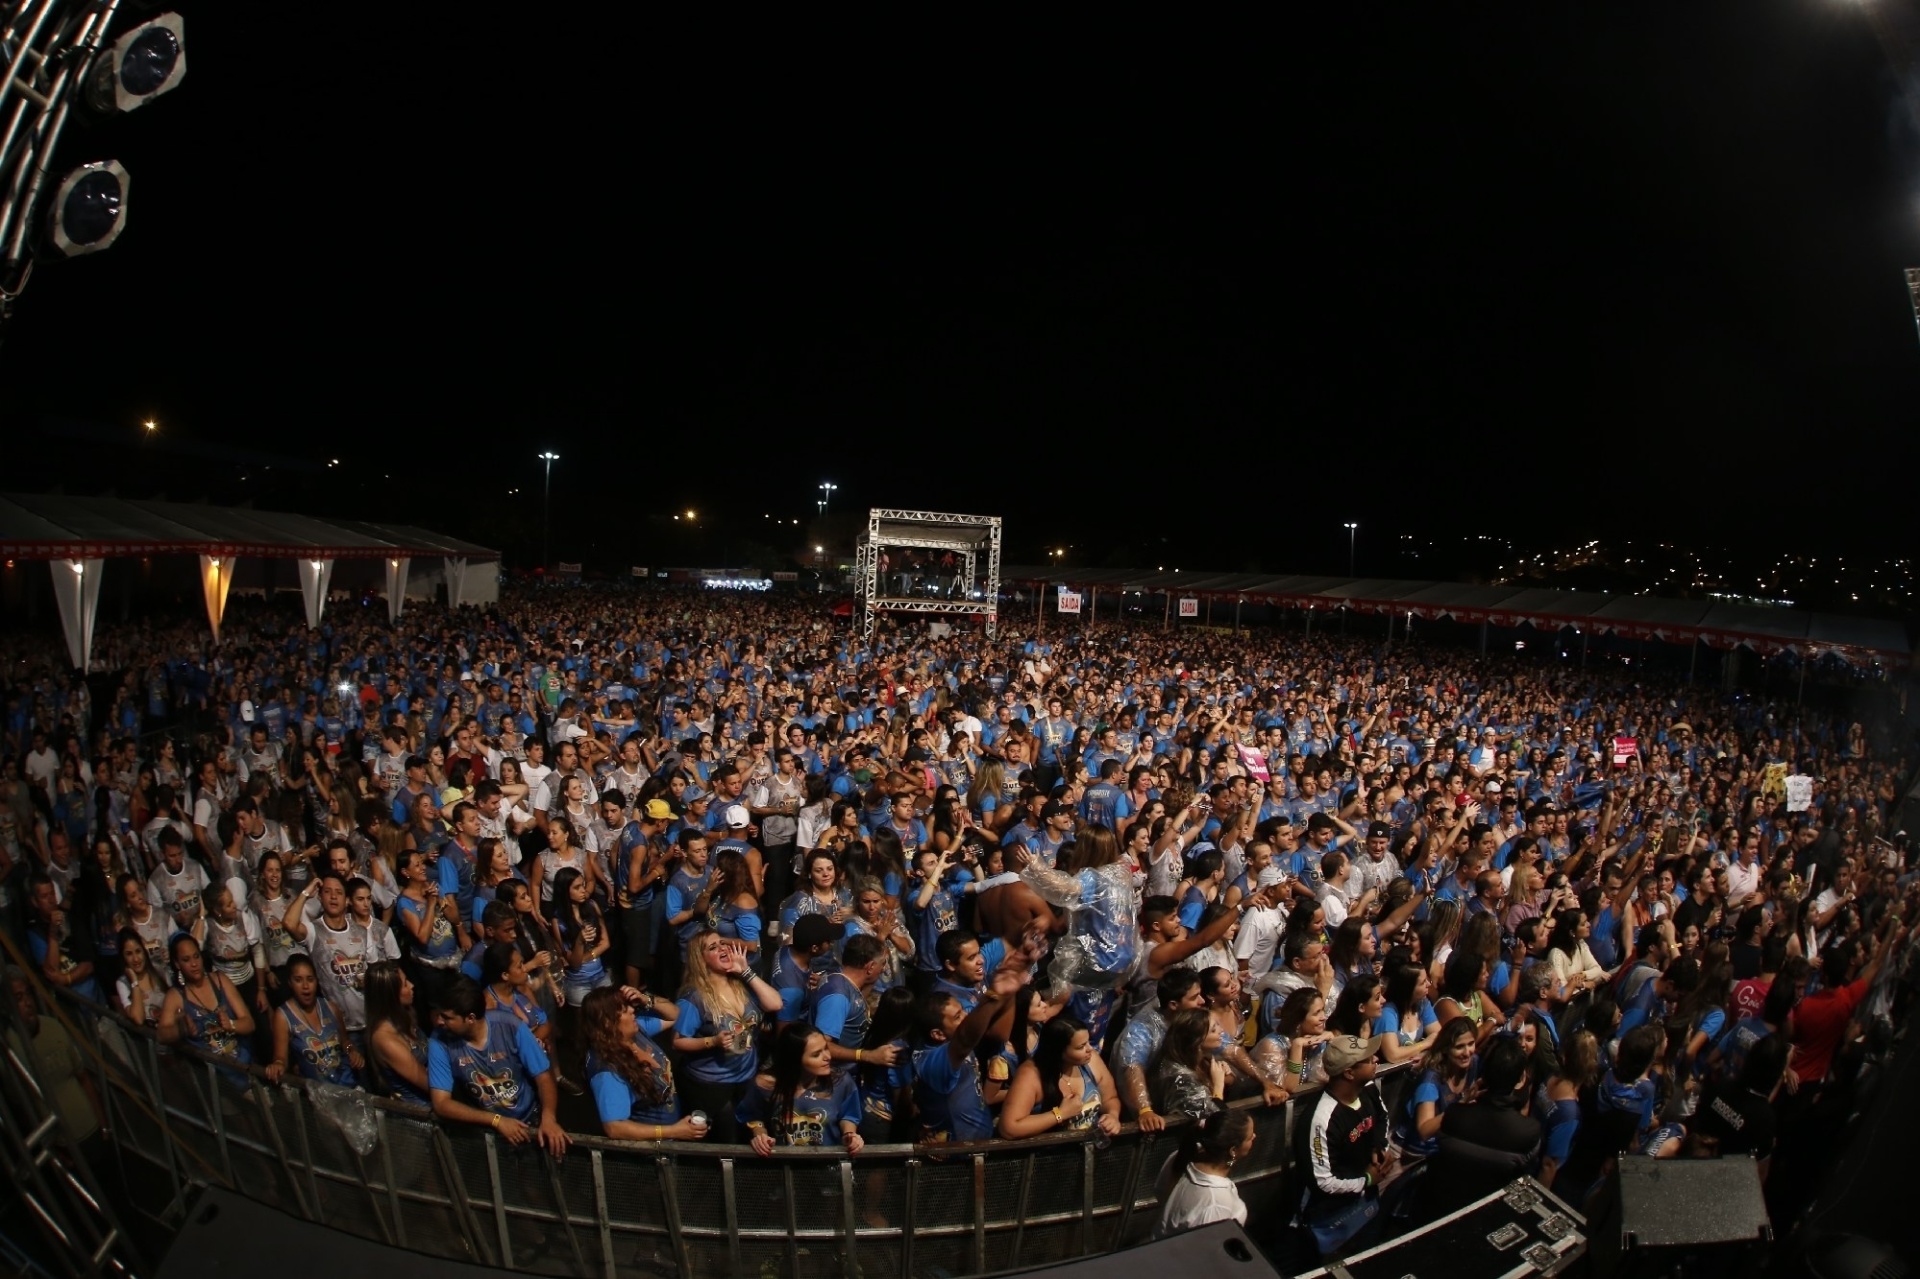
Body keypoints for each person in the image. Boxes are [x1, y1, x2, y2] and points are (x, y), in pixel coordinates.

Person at [426, 976, 570, 1156]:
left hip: (532, 1120)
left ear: (470, 1018)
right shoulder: (439, 1042)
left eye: (447, 1017)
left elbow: (543, 1075)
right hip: (489, 1131)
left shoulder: (510, 1026)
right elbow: (441, 1103)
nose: (440, 1022)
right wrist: (496, 1121)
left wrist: (548, 1118)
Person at [672, 929, 785, 1144]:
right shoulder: (693, 998)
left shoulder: (742, 983)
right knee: (727, 1140)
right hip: (712, 1086)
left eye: (723, 943)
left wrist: (745, 971)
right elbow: (677, 1042)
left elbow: (775, 1003)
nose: (723, 948)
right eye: (713, 947)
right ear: (701, 959)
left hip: (745, 1076)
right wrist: (712, 1042)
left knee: (750, 1135)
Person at [1301, 1033, 1396, 1258]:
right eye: (1367, 1059)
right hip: (1332, 1215)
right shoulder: (1322, 1120)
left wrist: (1379, 1147)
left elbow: (1381, 1117)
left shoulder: (1368, 1087)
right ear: (1349, 1072)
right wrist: (1367, 1180)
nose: (1375, 1060)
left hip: (1365, 1199)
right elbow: (1322, 1181)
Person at [1429, 1035, 1542, 1213]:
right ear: (1520, 1079)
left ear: (1485, 1073)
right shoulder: (1529, 1131)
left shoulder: (1454, 1115)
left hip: (1440, 1207)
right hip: (1490, 1212)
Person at [580, 985, 705, 1141]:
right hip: (651, 1152)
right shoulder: (607, 1072)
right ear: (607, 1022)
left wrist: (647, 999)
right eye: (624, 1009)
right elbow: (614, 1128)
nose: (632, 1010)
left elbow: (676, 1016)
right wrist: (672, 1131)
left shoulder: (635, 1030)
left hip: (671, 1136)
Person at [740, 1021, 865, 1155]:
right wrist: (760, 1135)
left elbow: (849, 1115)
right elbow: (752, 1115)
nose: (827, 1057)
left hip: (828, 1165)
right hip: (784, 1167)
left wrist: (850, 1135)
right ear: (795, 1059)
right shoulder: (765, 1084)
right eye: (816, 1054)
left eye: (826, 1048)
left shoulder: (841, 1081)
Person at [996, 1014, 1122, 1139]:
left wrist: (1112, 1115)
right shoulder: (1031, 1075)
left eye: (1088, 1042)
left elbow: (1110, 1098)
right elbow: (1009, 1128)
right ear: (1059, 1051)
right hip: (1050, 1155)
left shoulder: (1091, 1060)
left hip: (1090, 1150)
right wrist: (1060, 1114)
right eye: (1081, 1047)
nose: (1090, 1049)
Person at [156, 934, 256, 1081]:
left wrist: (232, 1024)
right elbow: (161, 1035)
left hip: (244, 1068)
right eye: (186, 960)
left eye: (196, 956)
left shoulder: (220, 980)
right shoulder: (176, 995)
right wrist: (182, 1029)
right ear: (177, 964)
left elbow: (249, 1024)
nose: (194, 964)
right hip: (215, 1081)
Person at [1153, 1109, 1256, 1239]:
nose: (1254, 1137)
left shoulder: (1180, 1156)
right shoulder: (1215, 1204)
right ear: (1233, 1150)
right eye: (1250, 1137)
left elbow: (1160, 1191)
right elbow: (1207, 1249)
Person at [266, 953, 361, 1087]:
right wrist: (278, 1064)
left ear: (316, 981)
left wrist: (352, 1051)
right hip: (319, 1094)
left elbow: (345, 1042)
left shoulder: (331, 1007)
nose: (305, 986)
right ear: (290, 983)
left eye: (310, 979)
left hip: (349, 1086)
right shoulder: (283, 1016)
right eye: (298, 980)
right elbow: (280, 1057)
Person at [364, 959, 431, 1106]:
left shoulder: (406, 1015)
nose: (412, 986)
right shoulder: (384, 1039)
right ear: (390, 994)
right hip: (418, 1116)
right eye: (405, 983)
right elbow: (430, 1085)